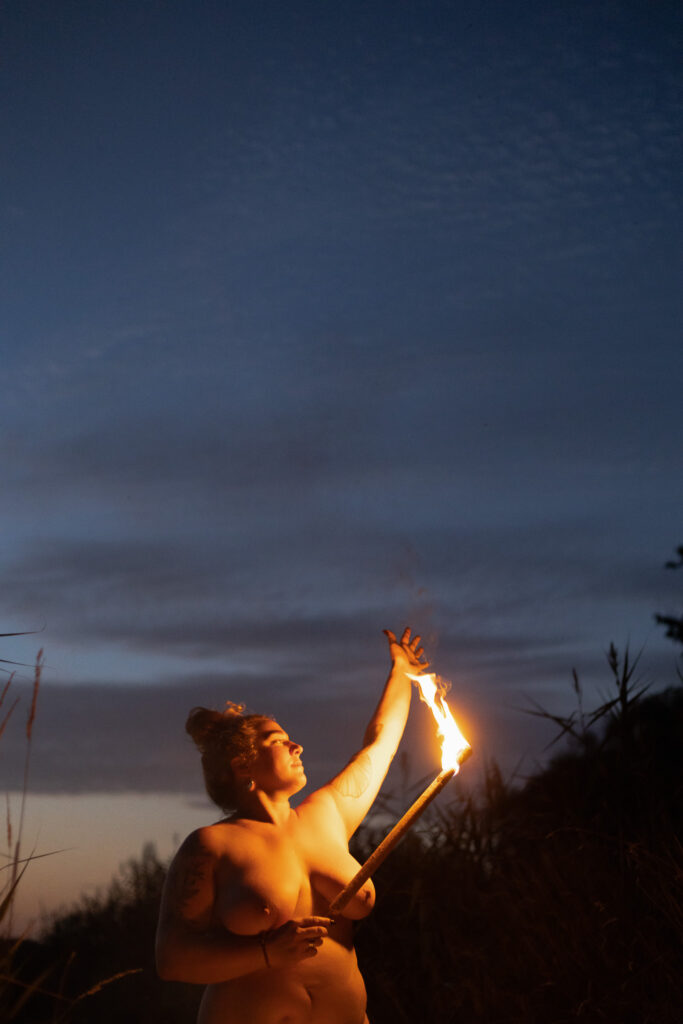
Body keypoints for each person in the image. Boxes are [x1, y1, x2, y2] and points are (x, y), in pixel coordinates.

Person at [155, 627, 429, 1024]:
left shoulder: (327, 814)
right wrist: (264, 952)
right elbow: (172, 959)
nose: (296, 746)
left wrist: (402, 671)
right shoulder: (212, 846)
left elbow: (380, 744)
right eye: (277, 740)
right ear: (242, 764)